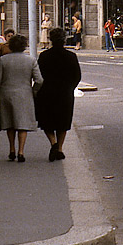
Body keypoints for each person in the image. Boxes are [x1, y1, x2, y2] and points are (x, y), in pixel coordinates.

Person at [0, 34, 43, 162]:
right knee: (22, 123)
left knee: (10, 123)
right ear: (24, 46)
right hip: (24, 95)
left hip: (6, 94)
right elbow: (39, 80)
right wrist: (33, 90)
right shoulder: (30, 60)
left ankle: (11, 149)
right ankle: (21, 151)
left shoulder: (4, 60)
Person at [35, 28, 82, 161]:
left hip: (47, 92)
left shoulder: (44, 56)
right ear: (64, 40)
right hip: (64, 93)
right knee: (63, 121)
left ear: (51, 39)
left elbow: (38, 75)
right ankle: (60, 148)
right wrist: (70, 87)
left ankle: (53, 144)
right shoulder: (71, 56)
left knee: (47, 121)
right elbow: (77, 76)